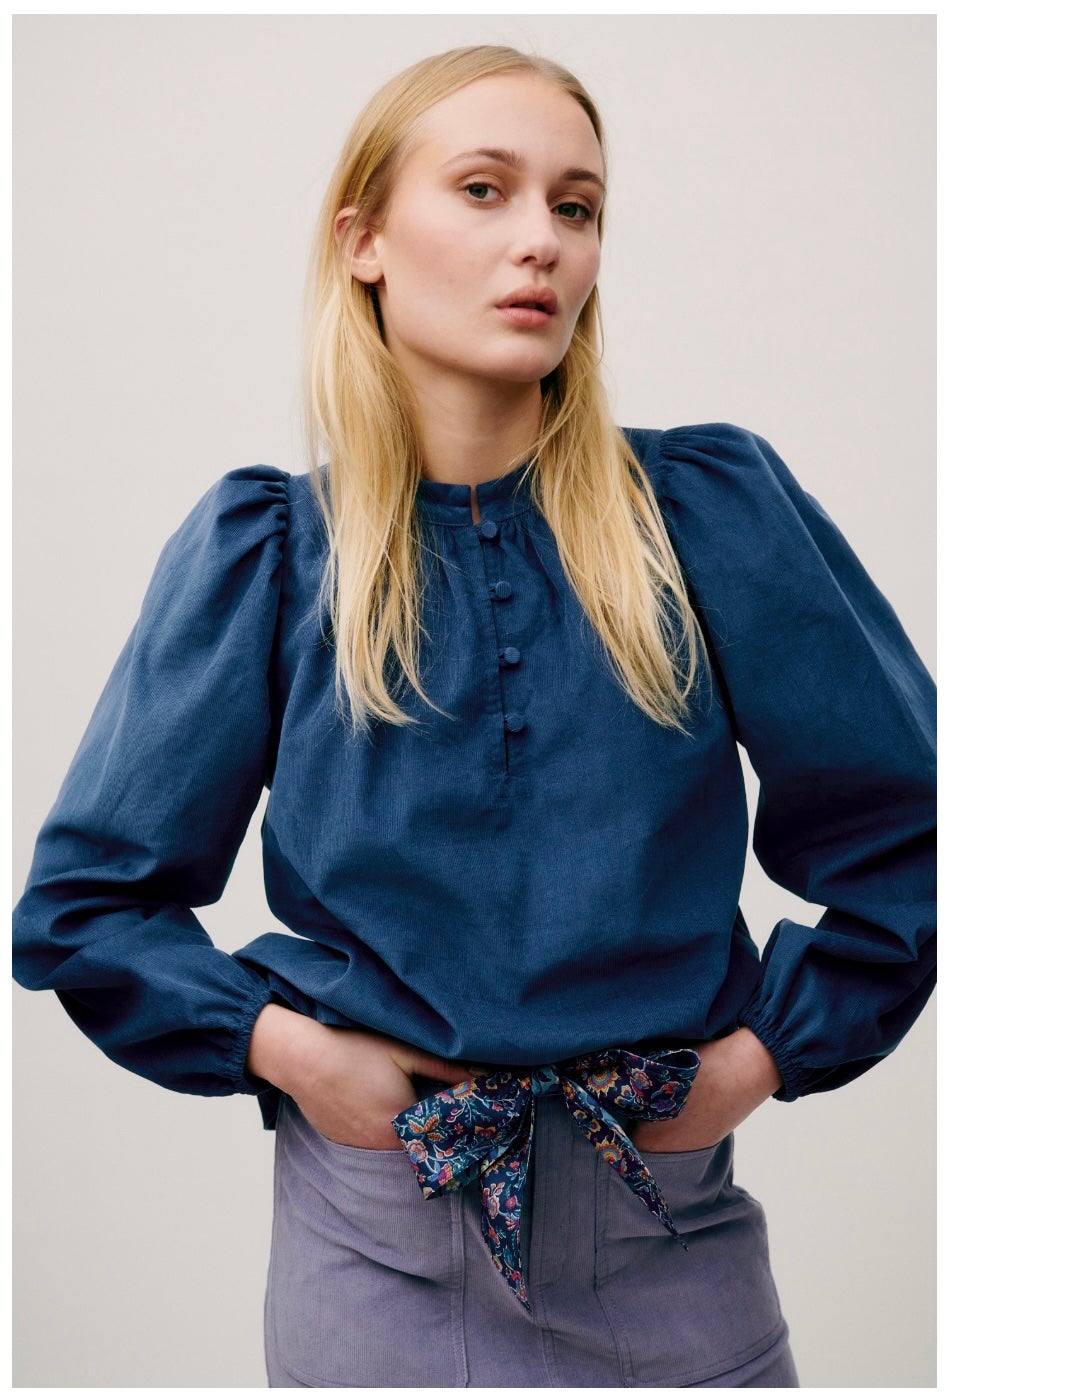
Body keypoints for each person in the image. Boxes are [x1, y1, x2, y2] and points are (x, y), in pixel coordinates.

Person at [11, 44, 935, 1384]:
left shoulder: (705, 521)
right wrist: (302, 1063)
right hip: (378, 1244)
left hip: (668, 1233)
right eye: (485, 190)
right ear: (366, 241)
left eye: (576, 207)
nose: (541, 245)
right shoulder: (271, 556)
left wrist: (756, 1063)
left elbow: (924, 835)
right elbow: (85, 906)